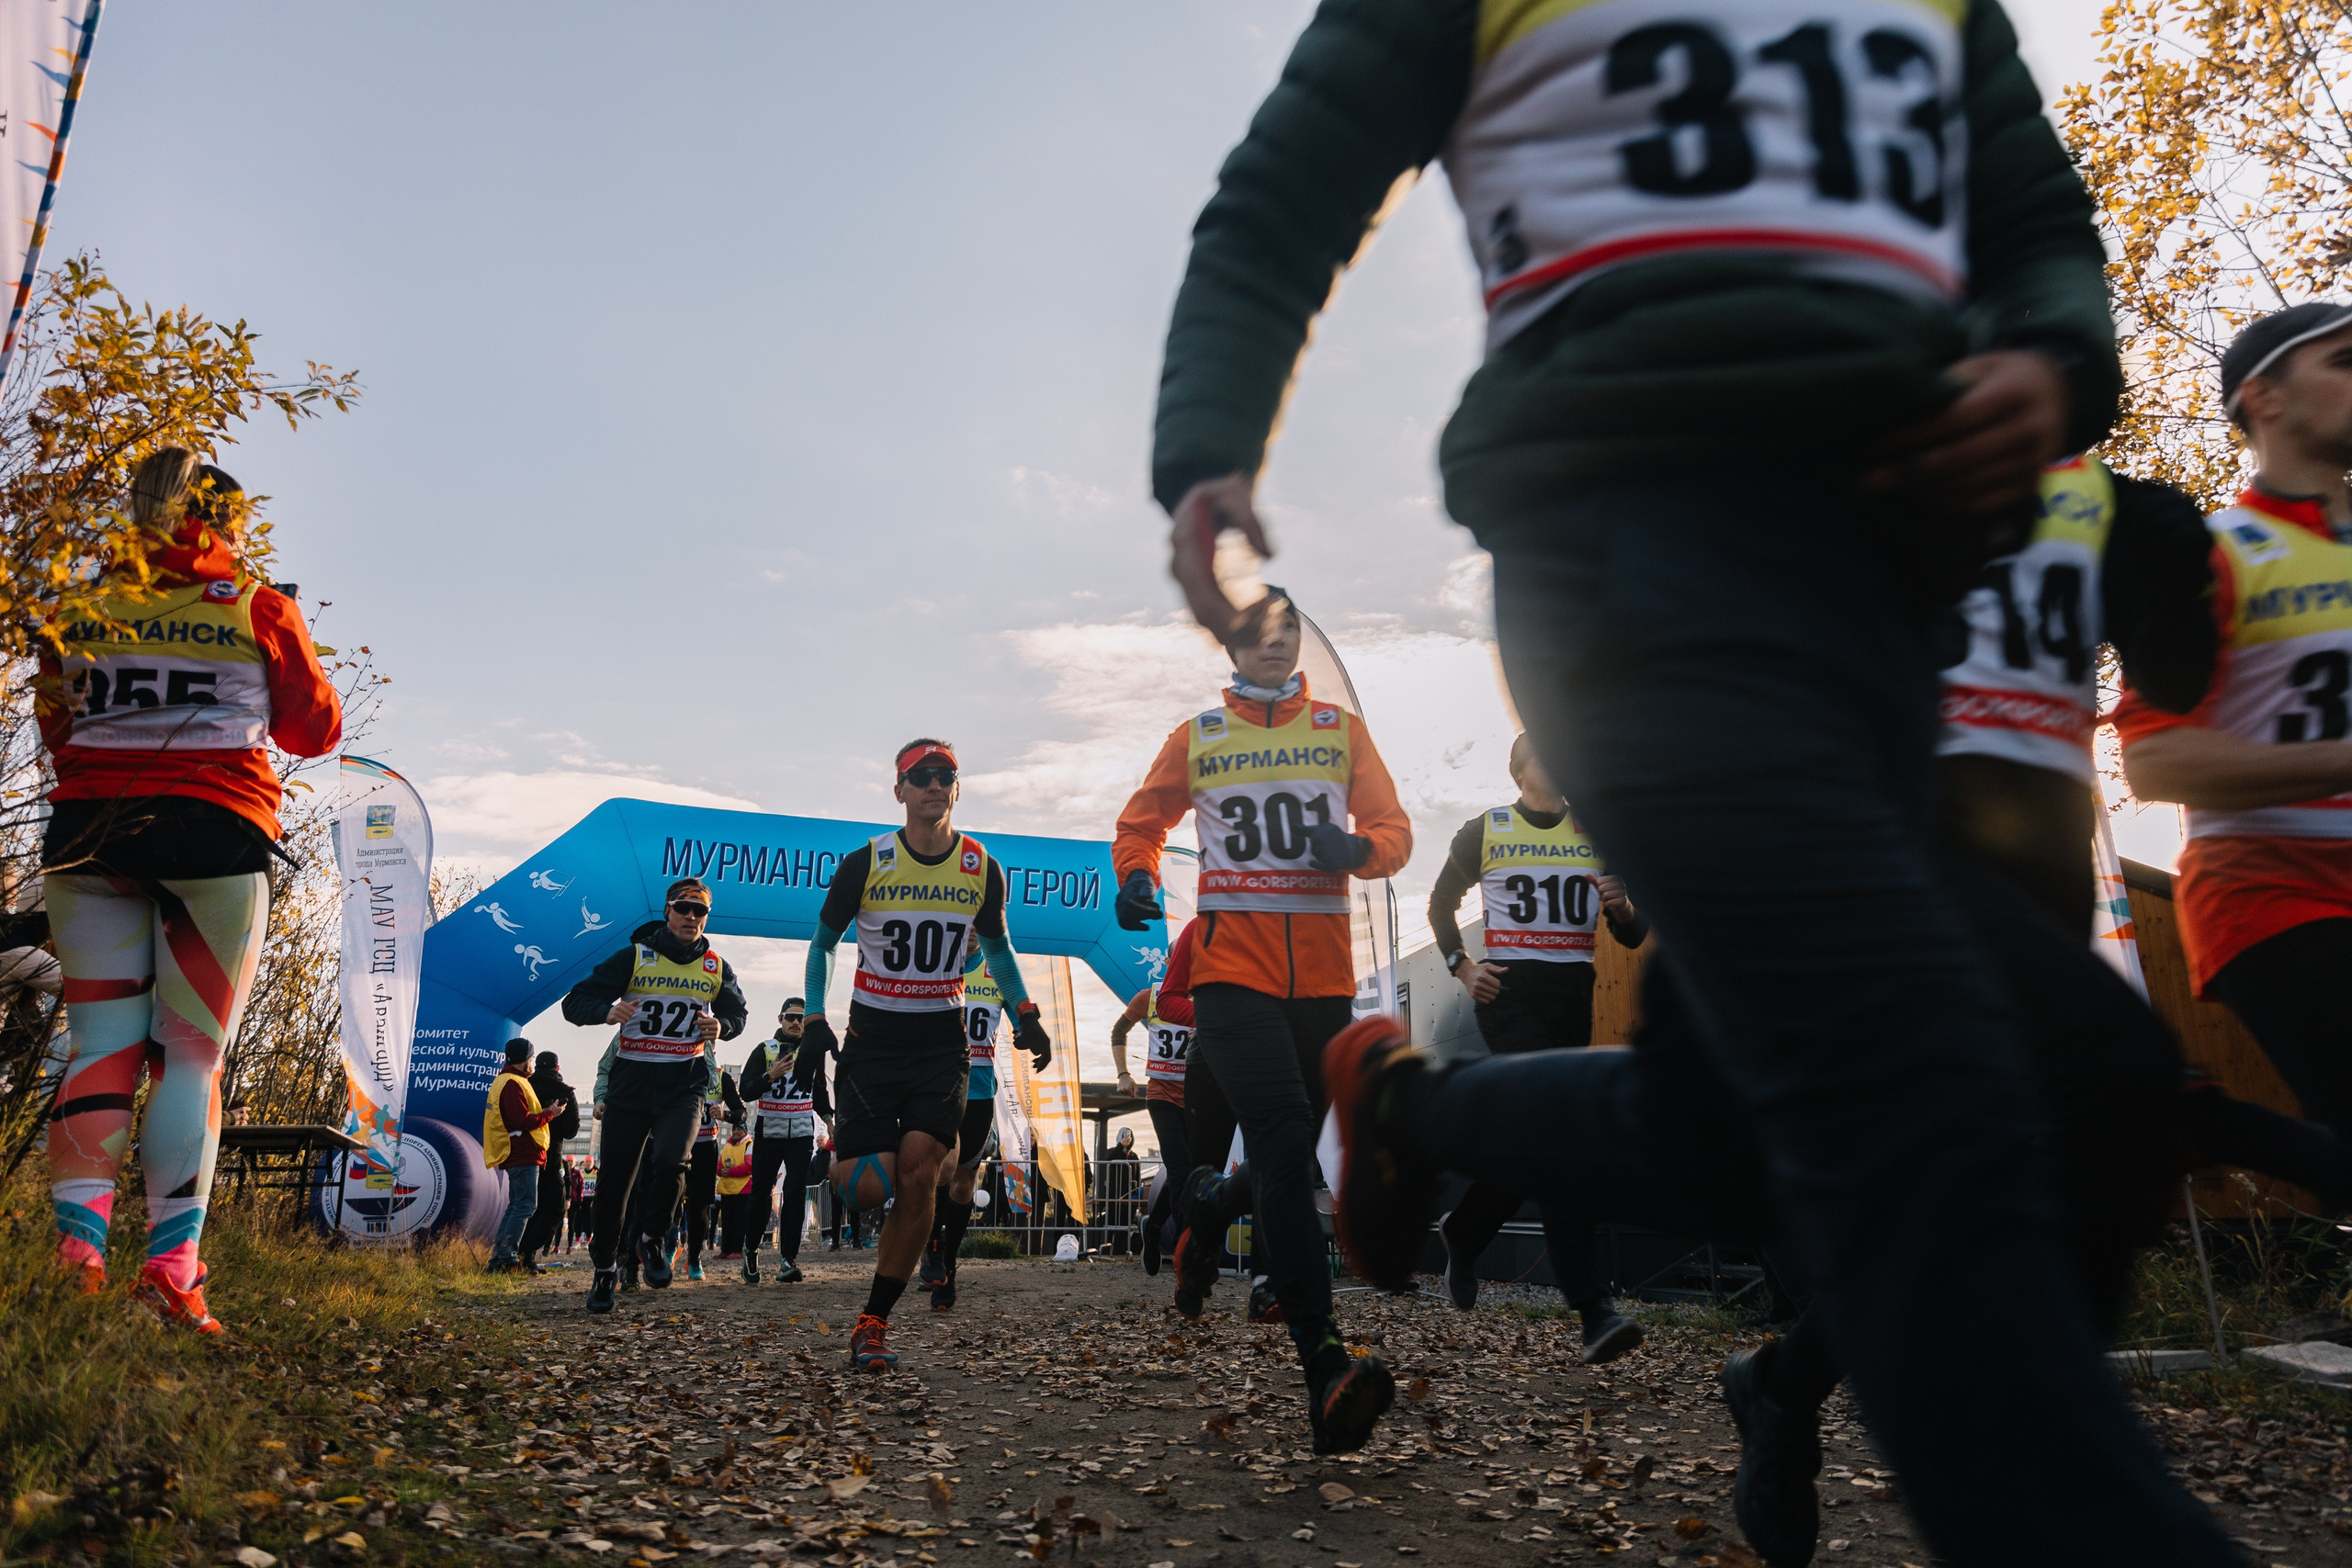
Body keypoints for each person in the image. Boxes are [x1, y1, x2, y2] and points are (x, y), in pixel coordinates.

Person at [1148, 6, 2244, 1559]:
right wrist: (1208, 447)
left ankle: (1414, 1111)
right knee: (1907, 1087)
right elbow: (1283, 196)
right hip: (1630, 565)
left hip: (1879, 605)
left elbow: (2027, 203)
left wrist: (2051, 351)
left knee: (2043, 1090)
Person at [40, 450, 342, 1334]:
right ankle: (170, 1270)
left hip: (90, 831)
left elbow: (55, 722)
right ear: (226, 523)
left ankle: (76, 1257)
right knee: (189, 1057)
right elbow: (315, 731)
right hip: (216, 834)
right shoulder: (256, 603)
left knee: (99, 1041)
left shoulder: (80, 602)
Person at [1112, 590, 1410, 1452]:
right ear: (1232, 642)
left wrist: (1357, 850)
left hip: (1321, 982)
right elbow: (1141, 822)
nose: (1274, 643)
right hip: (1230, 978)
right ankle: (1324, 1364)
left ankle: (1206, 1207)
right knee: (1282, 1138)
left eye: (1287, 631)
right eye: (1257, 632)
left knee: (1284, 1153)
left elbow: (1392, 830)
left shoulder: (1339, 732)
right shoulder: (1200, 736)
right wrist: (1136, 876)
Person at [2119, 302, 2352, 1131]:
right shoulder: (2211, 555)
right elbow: (2154, 762)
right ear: (2266, 398)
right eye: (2345, 361)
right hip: (2275, 892)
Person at [796, 739, 1053, 1371]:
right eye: (921, 776)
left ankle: (873, 1321)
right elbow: (823, 944)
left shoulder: (980, 866)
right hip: (873, 1041)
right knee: (864, 1186)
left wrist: (1026, 1013)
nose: (934, 785)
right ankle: (838, 1164)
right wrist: (814, 1017)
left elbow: (998, 948)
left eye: (945, 775)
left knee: (917, 1171)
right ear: (901, 790)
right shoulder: (867, 862)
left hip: (941, 1041)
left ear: (957, 789)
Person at [1425, 734, 1645, 1358]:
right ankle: (1592, 1305)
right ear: (1521, 770)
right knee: (1558, 1133)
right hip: (1509, 995)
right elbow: (1441, 902)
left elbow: (1633, 937)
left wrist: (1624, 908)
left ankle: (1465, 1231)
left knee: (1537, 1139)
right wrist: (1463, 966)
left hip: (1573, 998)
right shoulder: (1486, 829)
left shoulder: (1595, 832)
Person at [563, 876, 748, 1313]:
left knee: (672, 1161)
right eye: (683, 908)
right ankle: (606, 1267)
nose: (691, 917)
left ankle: (652, 1239)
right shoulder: (635, 957)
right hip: (632, 1081)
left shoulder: (716, 967)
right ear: (668, 911)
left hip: (683, 1083)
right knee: (615, 1185)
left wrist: (723, 1026)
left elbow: (737, 1012)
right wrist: (606, 1011)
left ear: (706, 918)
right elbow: (575, 1002)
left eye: (699, 911)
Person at [920, 950, 1012, 1310]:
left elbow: (1021, 1007)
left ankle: (949, 1264)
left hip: (979, 1092)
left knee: (963, 1182)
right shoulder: (934, 961)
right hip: (940, 1087)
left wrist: (1025, 1029)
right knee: (941, 1168)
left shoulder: (997, 969)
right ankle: (933, 1247)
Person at [1111, 919, 1199, 1276]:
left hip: (1195, 1098)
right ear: (1170, 962)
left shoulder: (1208, 1000)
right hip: (1161, 1094)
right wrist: (1123, 1074)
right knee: (1179, 1170)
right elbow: (1119, 1029)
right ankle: (1186, 1253)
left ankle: (1152, 1224)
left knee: (1190, 1172)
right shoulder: (1150, 998)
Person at [485, 1038, 570, 1273]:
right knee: (524, 1207)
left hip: (518, 1151)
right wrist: (550, 1114)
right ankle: (505, 1259)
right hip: (523, 1152)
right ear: (525, 1061)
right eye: (530, 1059)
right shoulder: (513, 1083)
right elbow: (520, 1120)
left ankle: (501, 1258)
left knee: (517, 1206)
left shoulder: (507, 1080)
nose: (532, 1063)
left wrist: (543, 1113)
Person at [521, 1051, 581, 1270]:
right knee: (554, 1208)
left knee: (523, 1206)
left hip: (523, 1153)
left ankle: (516, 1253)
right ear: (557, 1068)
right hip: (550, 1157)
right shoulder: (563, 1092)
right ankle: (525, 1251)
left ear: (536, 1066)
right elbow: (571, 1131)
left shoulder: (525, 1086)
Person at [683, 1067, 743, 1280]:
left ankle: (694, 1258)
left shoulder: (720, 1077)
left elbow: (740, 1111)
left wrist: (725, 1114)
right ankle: (672, 1240)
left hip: (705, 1147)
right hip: (678, 1144)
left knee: (699, 1206)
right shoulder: (679, 1066)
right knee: (670, 1197)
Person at [716, 1116, 755, 1257]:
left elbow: (750, 1166)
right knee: (727, 1221)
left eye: (739, 1129)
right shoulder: (727, 1145)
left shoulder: (749, 1145)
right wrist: (722, 1171)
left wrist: (730, 1171)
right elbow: (719, 1165)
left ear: (745, 1131)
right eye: (734, 1129)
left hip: (743, 1188)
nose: (736, 1132)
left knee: (739, 1221)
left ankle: (736, 1250)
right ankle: (725, 1250)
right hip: (727, 1189)